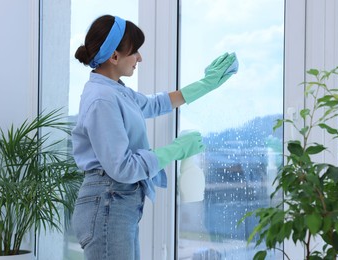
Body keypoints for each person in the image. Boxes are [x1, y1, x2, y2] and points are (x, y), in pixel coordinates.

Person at [71, 14, 237, 260]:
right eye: (134, 51)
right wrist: (175, 150)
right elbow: (123, 168)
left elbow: (155, 104)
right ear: (114, 57)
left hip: (114, 202)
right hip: (107, 203)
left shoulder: (115, 91)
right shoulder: (102, 99)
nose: (140, 57)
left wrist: (206, 84)